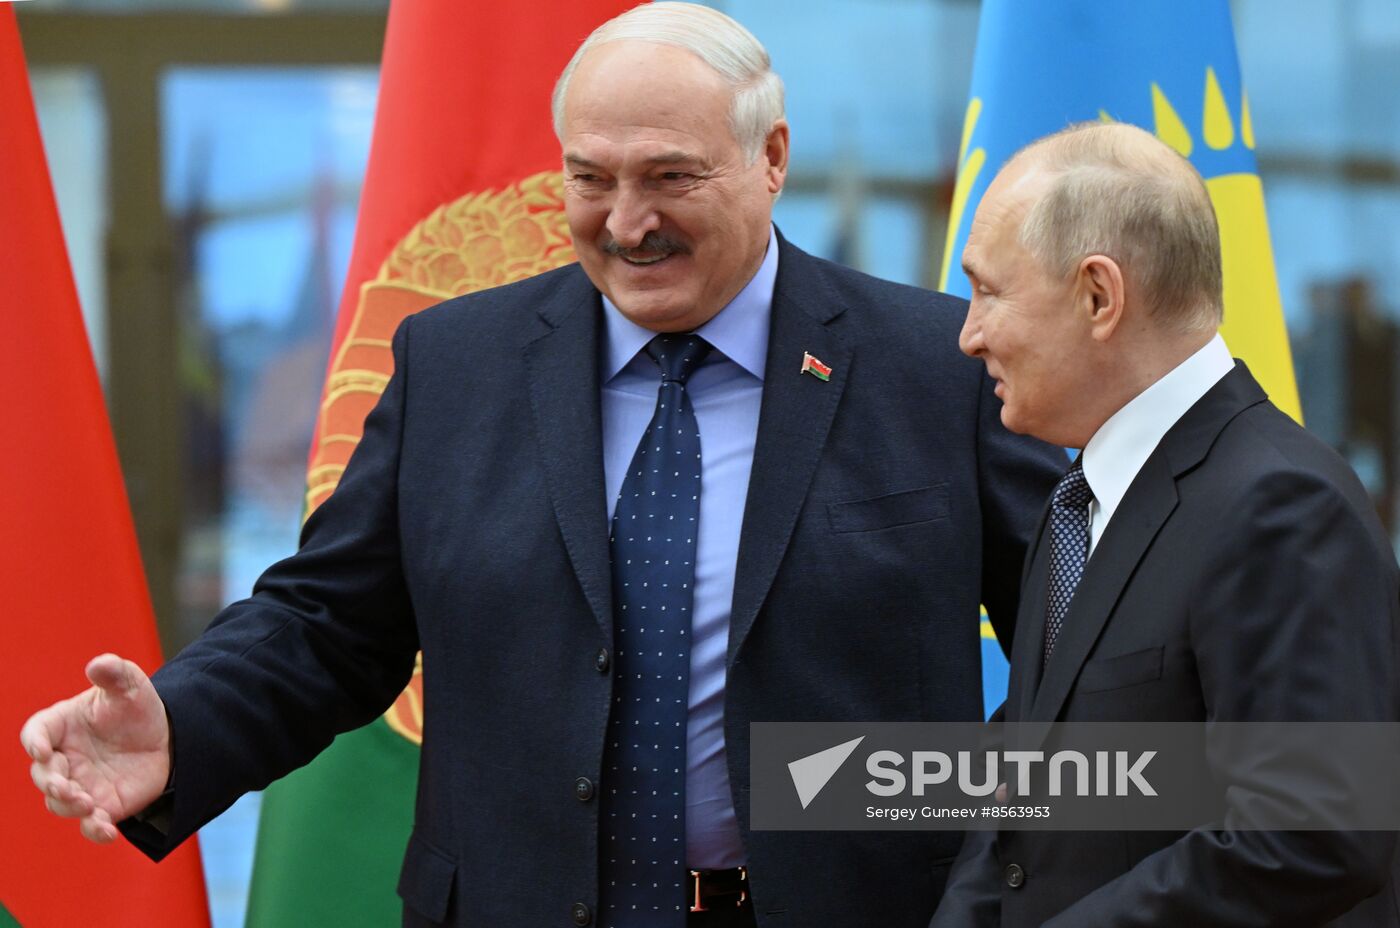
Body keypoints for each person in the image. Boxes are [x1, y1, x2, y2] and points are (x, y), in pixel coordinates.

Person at [21, 5, 1064, 927]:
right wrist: (181, 722)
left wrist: (959, 845)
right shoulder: (455, 365)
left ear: (771, 158)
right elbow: (328, 625)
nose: (627, 223)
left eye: (669, 177)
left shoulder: (939, 368)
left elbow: (1089, 651)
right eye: (590, 179)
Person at [931, 121, 1400, 927]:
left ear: (1099, 296)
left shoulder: (1282, 509)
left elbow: (1310, 834)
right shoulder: (1079, 501)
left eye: (989, 292)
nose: (969, 336)